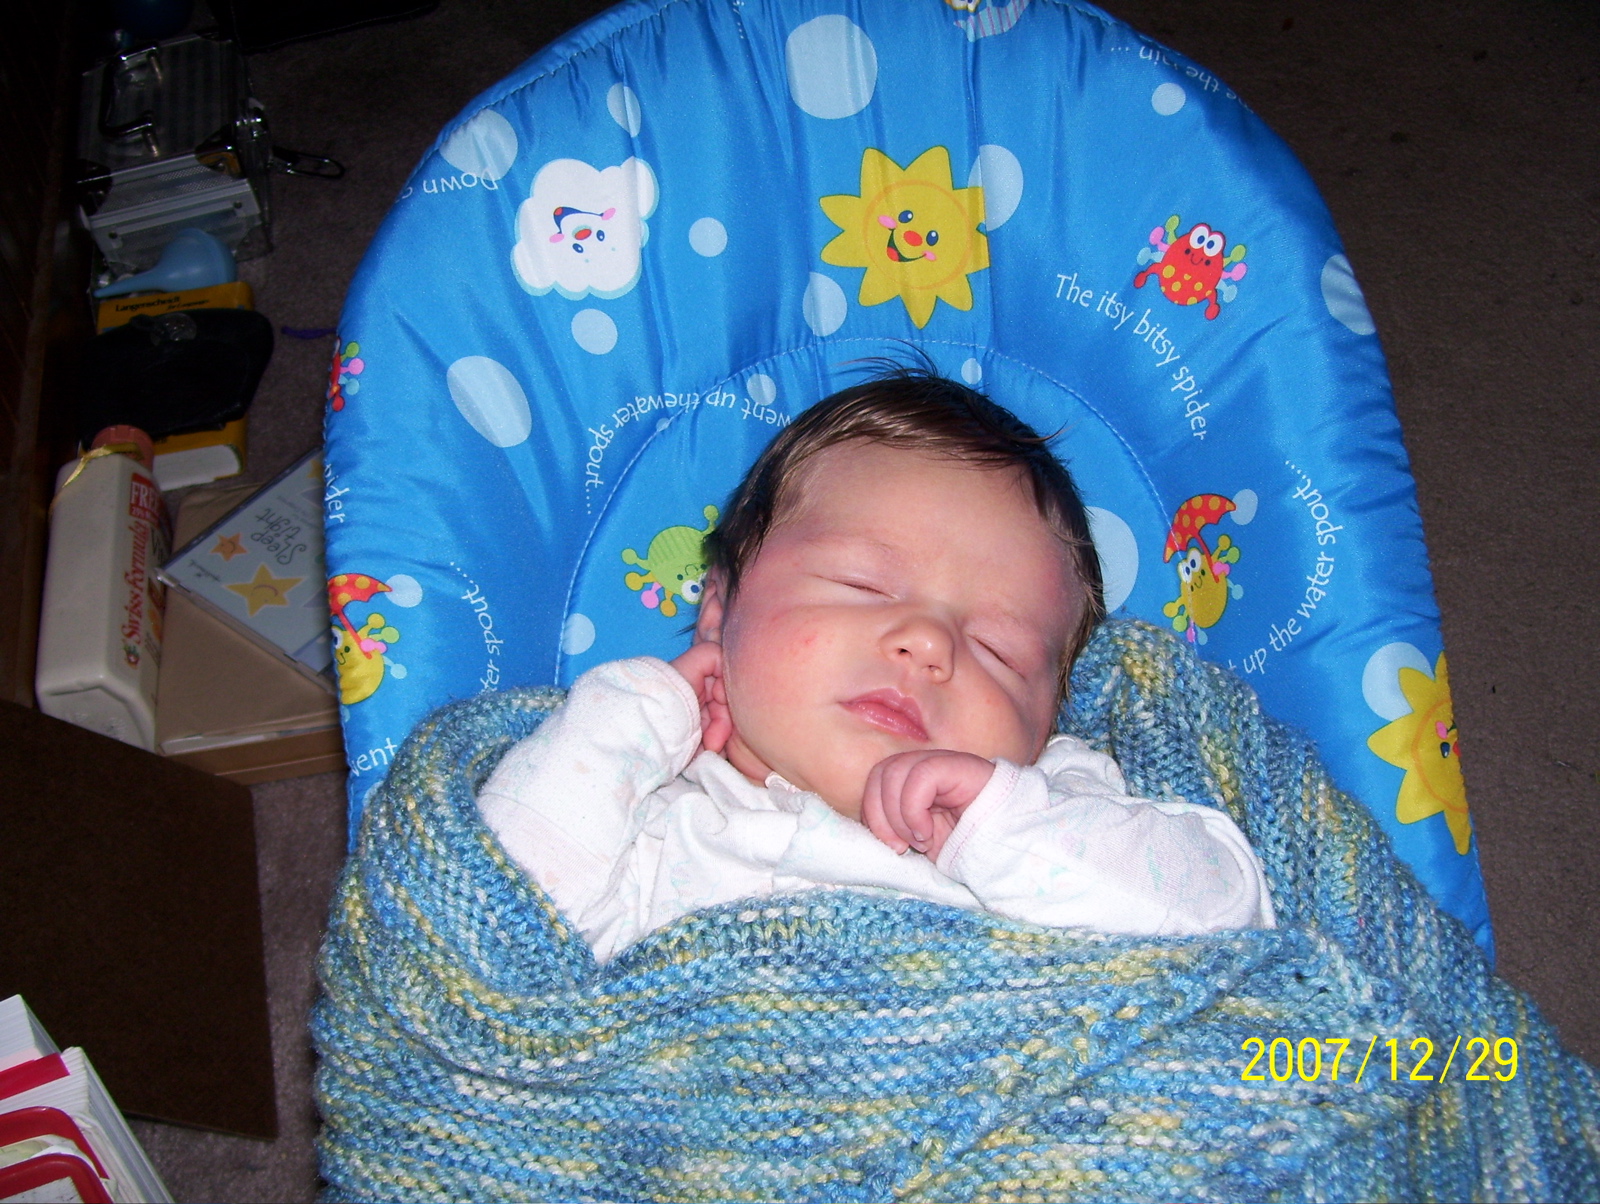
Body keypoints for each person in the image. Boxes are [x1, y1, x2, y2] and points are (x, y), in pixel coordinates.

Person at [478, 366, 1274, 963]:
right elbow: (482, 935)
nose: (928, 643)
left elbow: (1231, 913)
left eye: (997, 651)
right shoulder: (646, 812)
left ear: (1047, 724)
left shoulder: (1057, 806)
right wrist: (628, 715)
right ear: (720, 610)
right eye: (860, 584)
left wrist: (1006, 824)